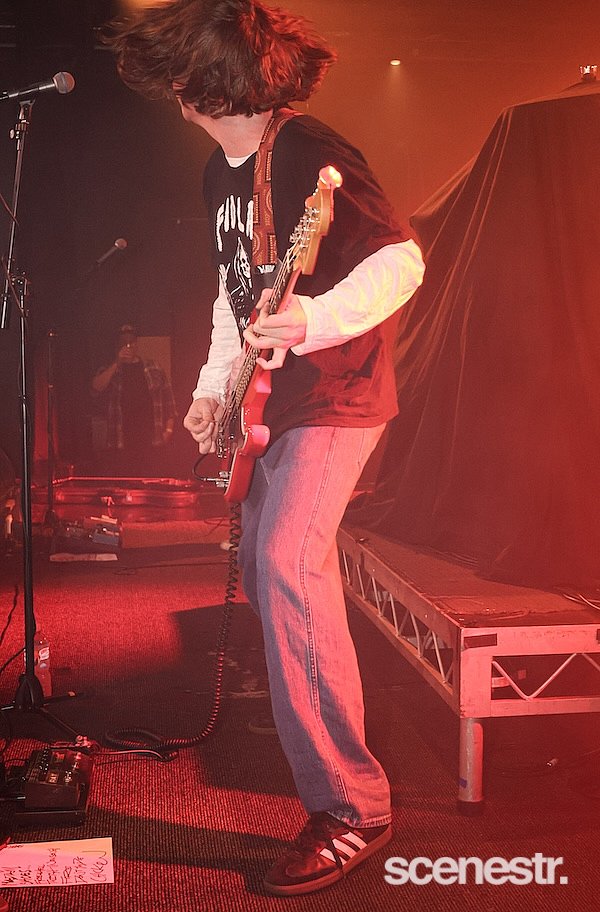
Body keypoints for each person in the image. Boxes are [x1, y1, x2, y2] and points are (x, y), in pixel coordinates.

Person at [107, 0, 425, 896]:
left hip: (336, 395)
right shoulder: (220, 172)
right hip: (274, 403)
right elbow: (234, 295)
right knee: (262, 562)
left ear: (200, 81)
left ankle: (353, 807)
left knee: (287, 562)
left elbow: (401, 260)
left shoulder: (309, 146)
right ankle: (304, 697)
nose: (169, 91)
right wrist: (212, 391)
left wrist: (315, 318)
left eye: (175, 73)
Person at [91, 324, 177, 476]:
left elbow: (169, 401)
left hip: (151, 439)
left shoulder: (153, 367)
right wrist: (117, 362)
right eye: (124, 343)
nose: (128, 346)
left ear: (137, 343)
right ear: (117, 345)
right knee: (124, 482)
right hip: (121, 441)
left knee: (152, 481)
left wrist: (168, 430)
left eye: (131, 342)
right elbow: (96, 388)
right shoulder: (110, 369)